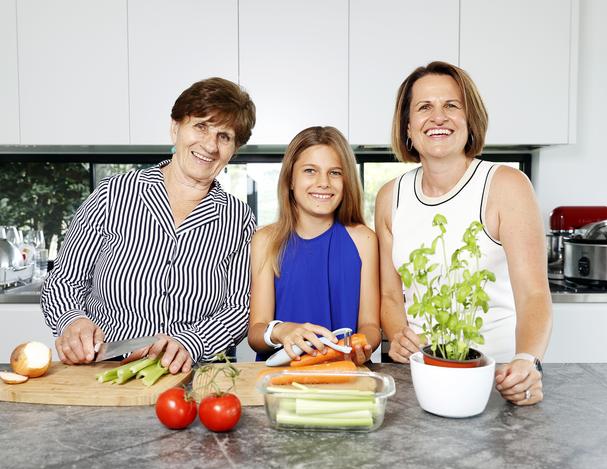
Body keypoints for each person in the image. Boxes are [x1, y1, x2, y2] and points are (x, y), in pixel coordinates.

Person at [41, 77, 257, 374]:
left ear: (234, 149)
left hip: (190, 376)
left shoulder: (237, 218)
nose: (210, 145)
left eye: (225, 136)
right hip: (103, 370)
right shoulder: (113, 195)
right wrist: (73, 321)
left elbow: (239, 308)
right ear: (175, 127)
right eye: (201, 126)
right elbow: (64, 281)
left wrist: (191, 342)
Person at [375, 61, 552, 405]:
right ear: (407, 126)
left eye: (451, 105)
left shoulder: (505, 185)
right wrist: (398, 333)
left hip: (495, 379)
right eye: (424, 107)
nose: (438, 117)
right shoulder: (389, 197)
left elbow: (534, 294)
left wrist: (527, 362)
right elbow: (391, 297)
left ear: (469, 120)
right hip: (419, 375)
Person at [247, 126, 380, 364]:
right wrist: (281, 330)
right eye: (310, 171)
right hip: (281, 377)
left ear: (346, 180)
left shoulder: (364, 240)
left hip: (344, 374)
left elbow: (370, 325)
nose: (324, 183)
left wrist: (361, 344)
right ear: (289, 180)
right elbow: (256, 333)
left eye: (335, 173)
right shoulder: (265, 241)